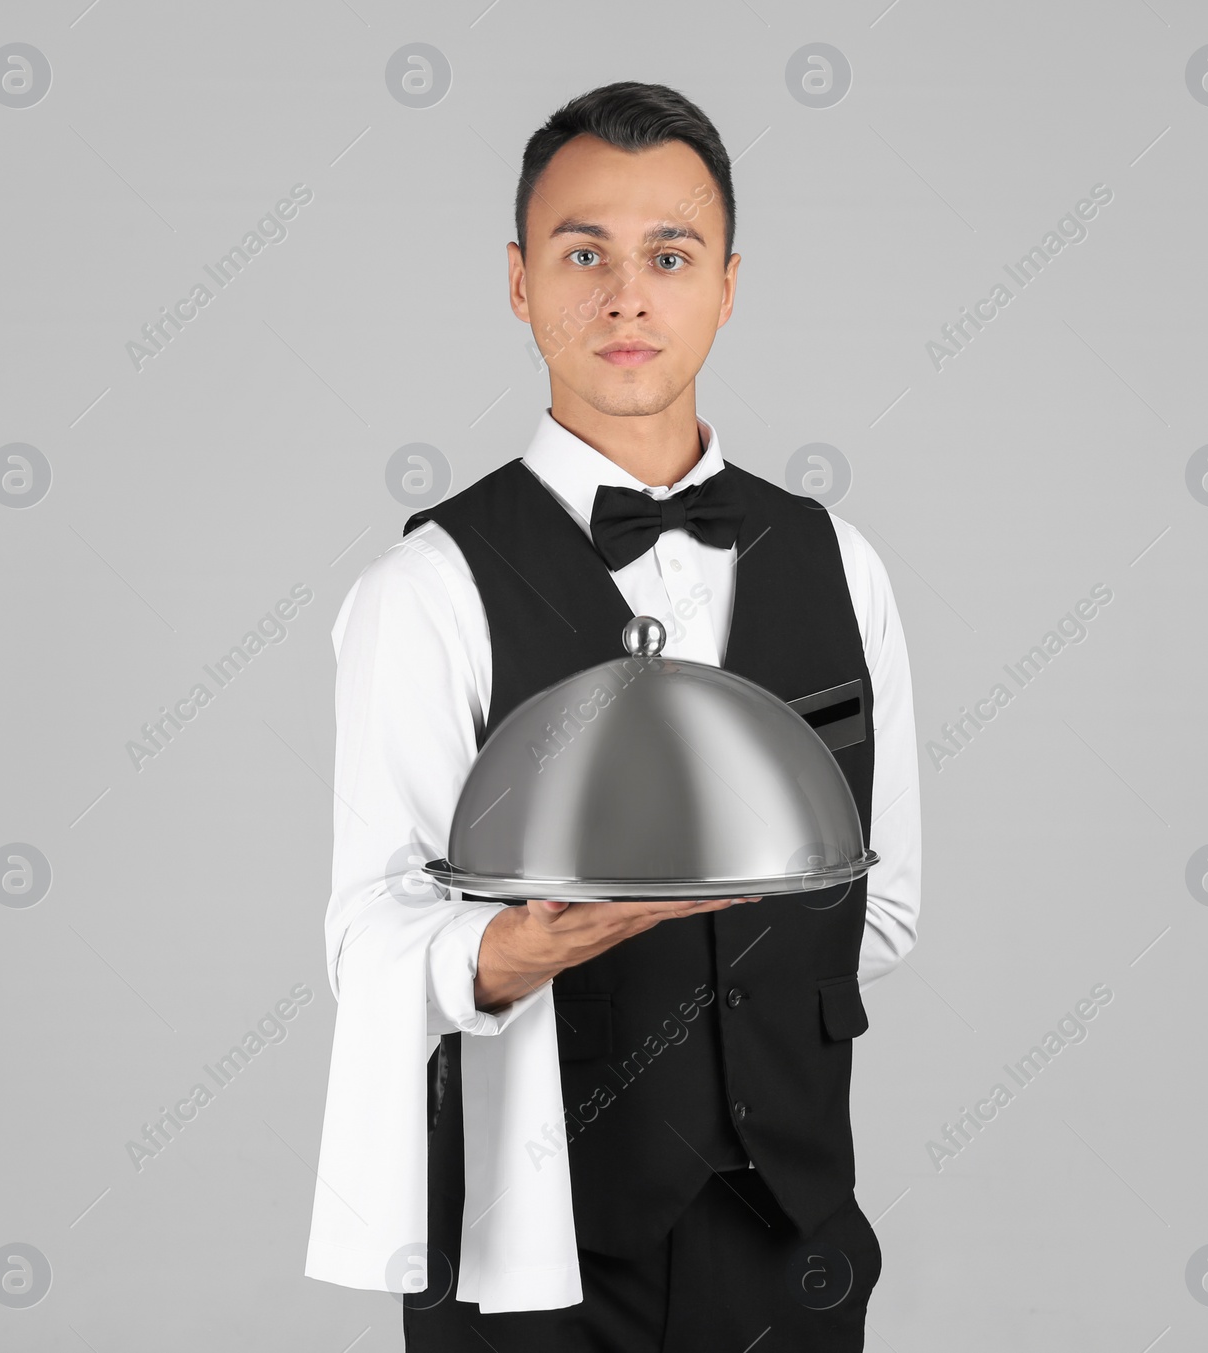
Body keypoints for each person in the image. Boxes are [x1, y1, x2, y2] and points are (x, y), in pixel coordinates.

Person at [304, 81, 922, 1352]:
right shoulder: (423, 591)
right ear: (521, 284)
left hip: (794, 1237)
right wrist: (503, 959)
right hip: (529, 1247)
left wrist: (731, 1015)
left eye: (669, 256)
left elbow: (886, 899)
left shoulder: (839, 562)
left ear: (728, 286)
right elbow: (367, 926)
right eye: (582, 254)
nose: (626, 296)